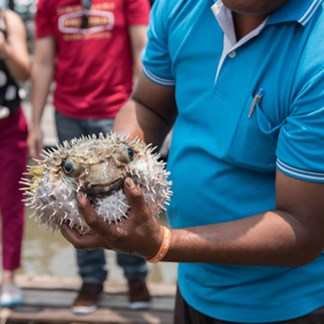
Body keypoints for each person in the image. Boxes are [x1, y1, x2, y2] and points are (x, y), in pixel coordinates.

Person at [61, 0, 324, 323]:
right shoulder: (179, 6)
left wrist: (163, 242)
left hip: (288, 306)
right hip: (193, 283)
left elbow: (303, 229)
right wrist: (113, 167)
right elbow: (148, 105)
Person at [28, 0, 151, 315]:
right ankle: (91, 280)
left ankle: (136, 277)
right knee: (74, 203)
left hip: (117, 112)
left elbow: (143, 52)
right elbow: (43, 61)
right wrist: (35, 124)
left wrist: (146, 114)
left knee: (127, 199)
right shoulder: (48, 3)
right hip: (69, 114)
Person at [0, 4, 30, 307]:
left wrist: (5, 48)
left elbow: (25, 71)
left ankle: (8, 277)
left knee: (11, 205)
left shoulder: (8, 19)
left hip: (7, 127)